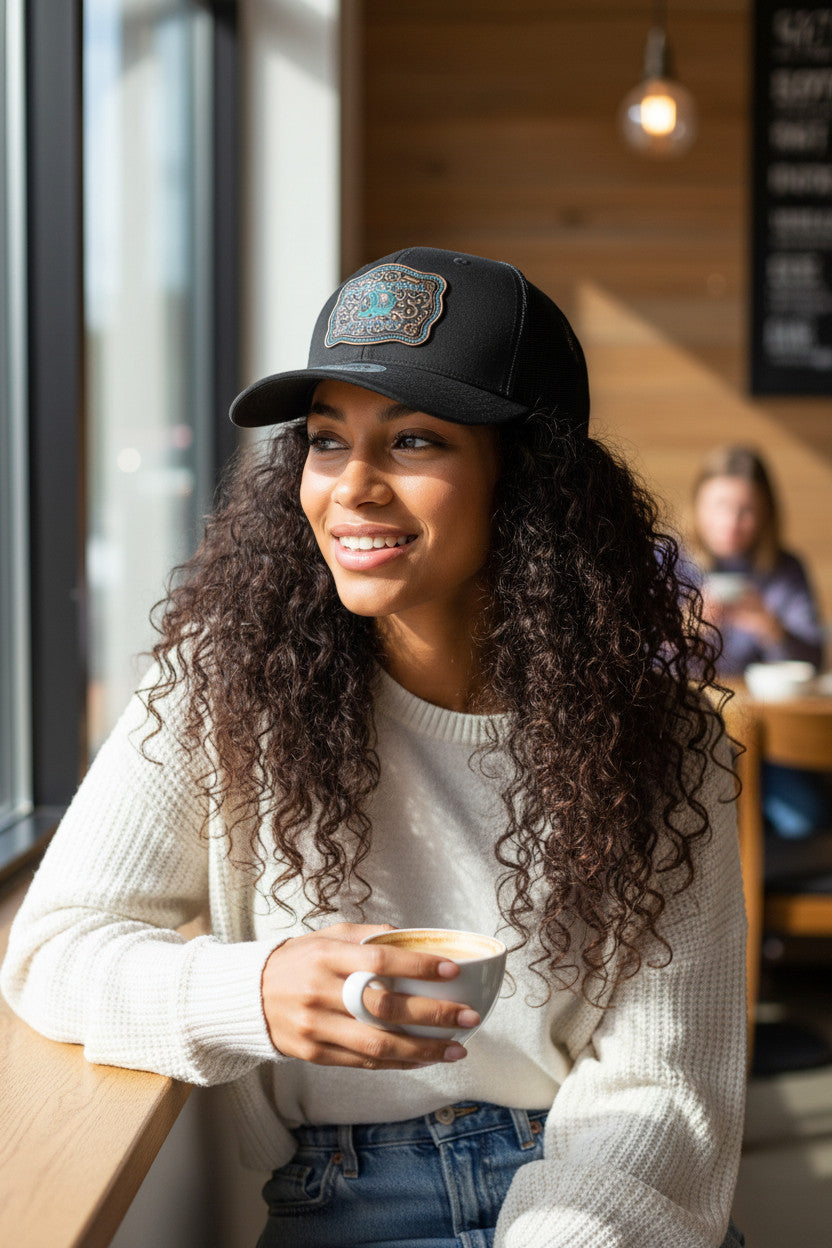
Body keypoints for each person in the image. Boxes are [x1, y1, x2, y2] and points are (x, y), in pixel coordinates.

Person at [2, 247, 746, 1248]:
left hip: (599, 1197)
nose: (351, 488)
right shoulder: (227, 686)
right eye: (323, 441)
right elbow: (53, 946)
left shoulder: (669, 742)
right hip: (345, 1203)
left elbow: (660, 1087)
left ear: (525, 482)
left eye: (412, 442)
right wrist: (250, 993)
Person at [687, 444, 829, 839]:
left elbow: (813, 661)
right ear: (698, 505)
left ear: (766, 512)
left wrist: (773, 630)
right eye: (719, 506)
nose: (731, 522)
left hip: (768, 740)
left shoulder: (783, 570)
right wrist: (688, 630)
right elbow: (638, 658)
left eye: (746, 510)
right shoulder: (671, 562)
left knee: (804, 820)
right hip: (688, 733)